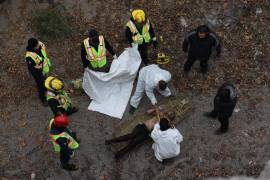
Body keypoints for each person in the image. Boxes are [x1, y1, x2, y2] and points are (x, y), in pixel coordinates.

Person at [105, 109, 176, 159]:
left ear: (171, 118)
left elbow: (162, 132)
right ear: (167, 112)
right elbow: (148, 112)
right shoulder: (160, 113)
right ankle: (112, 141)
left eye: (171, 114)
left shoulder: (166, 124)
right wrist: (154, 109)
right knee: (131, 136)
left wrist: (168, 126)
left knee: (134, 143)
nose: (170, 113)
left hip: (147, 133)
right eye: (170, 112)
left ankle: (119, 154)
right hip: (142, 127)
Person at [25, 38, 52, 106]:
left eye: (38, 43)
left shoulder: (40, 44)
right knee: (40, 85)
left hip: (45, 69)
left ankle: (46, 88)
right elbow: (32, 70)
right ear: (33, 47)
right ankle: (43, 98)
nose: (38, 45)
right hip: (38, 73)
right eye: (37, 45)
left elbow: (45, 54)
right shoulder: (29, 57)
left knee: (46, 81)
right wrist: (39, 76)